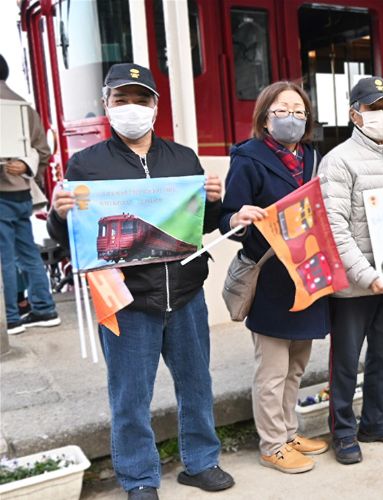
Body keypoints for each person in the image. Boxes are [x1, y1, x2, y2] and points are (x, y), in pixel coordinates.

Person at [47, 64, 233, 499]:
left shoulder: (183, 157)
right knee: (130, 395)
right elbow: (71, 239)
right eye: (121, 99)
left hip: (186, 294)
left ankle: (201, 462)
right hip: (127, 301)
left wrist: (214, 202)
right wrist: (59, 214)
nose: (132, 108)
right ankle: (139, 477)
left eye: (141, 99)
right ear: (106, 105)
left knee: (197, 383)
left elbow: (198, 228)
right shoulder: (86, 166)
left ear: (155, 106)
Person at [220, 81, 329, 474]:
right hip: (270, 276)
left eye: (300, 112)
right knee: (272, 370)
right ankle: (271, 444)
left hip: (307, 274)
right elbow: (225, 218)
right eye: (283, 110)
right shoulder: (247, 158)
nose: (292, 118)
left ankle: (288, 431)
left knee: (298, 364)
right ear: (266, 117)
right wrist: (236, 217)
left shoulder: (313, 158)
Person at [320, 76, 383, 465]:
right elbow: (334, 228)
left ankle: (377, 421)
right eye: (374, 108)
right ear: (355, 114)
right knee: (345, 360)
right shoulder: (338, 160)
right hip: (354, 283)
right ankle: (343, 431)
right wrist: (366, 275)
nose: (382, 115)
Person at [1, 53, 60, 335]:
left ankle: (10, 317)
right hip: (21, 193)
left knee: (4, 257)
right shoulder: (24, 106)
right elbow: (43, 152)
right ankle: (44, 309)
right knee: (28, 254)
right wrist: (25, 166)